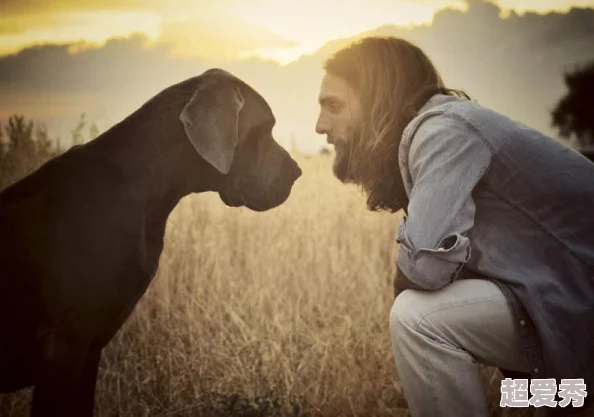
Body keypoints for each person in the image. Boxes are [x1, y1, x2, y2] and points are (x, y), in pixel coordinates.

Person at [314, 36, 594, 417]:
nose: (319, 126)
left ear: (378, 100)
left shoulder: (442, 132)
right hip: (572, 295)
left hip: (581, 294)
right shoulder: (446, 129)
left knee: (418, 318)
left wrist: (404, 277)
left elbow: (426, 269)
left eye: (334, 106)